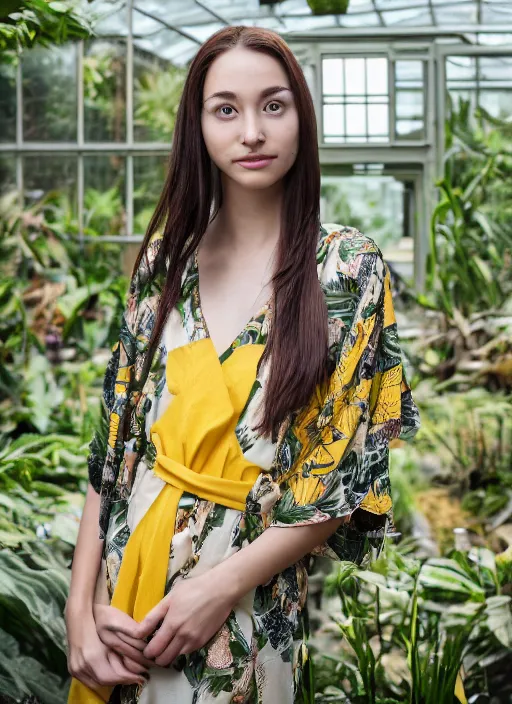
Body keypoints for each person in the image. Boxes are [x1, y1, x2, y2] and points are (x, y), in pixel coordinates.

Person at [64, 24, 421, 704]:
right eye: (226, 108)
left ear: (301, 119)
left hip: (242, 604)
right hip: (122, 586)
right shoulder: (163, 263)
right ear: (197, 126)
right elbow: (112, 449)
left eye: (274, 105)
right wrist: (78, 607)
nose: (251, 131)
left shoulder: (345, 270)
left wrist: (216, 588)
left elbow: (341, 483)